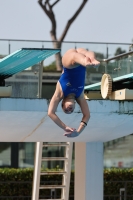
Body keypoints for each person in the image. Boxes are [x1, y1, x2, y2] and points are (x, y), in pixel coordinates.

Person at [48, 48, 100, 137]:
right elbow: (87, 115)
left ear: (63, 102)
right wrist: (78, 132)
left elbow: (50, 113)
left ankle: (87, 61)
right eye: (71, 110)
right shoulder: (80, 96)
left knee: (74, 58)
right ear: (75, 105)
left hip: (69, 62)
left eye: (66, 110)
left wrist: (64, 127)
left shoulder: (60, 93)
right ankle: (91, 59)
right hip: (82, 59)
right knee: (88, 53)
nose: (70, 109)